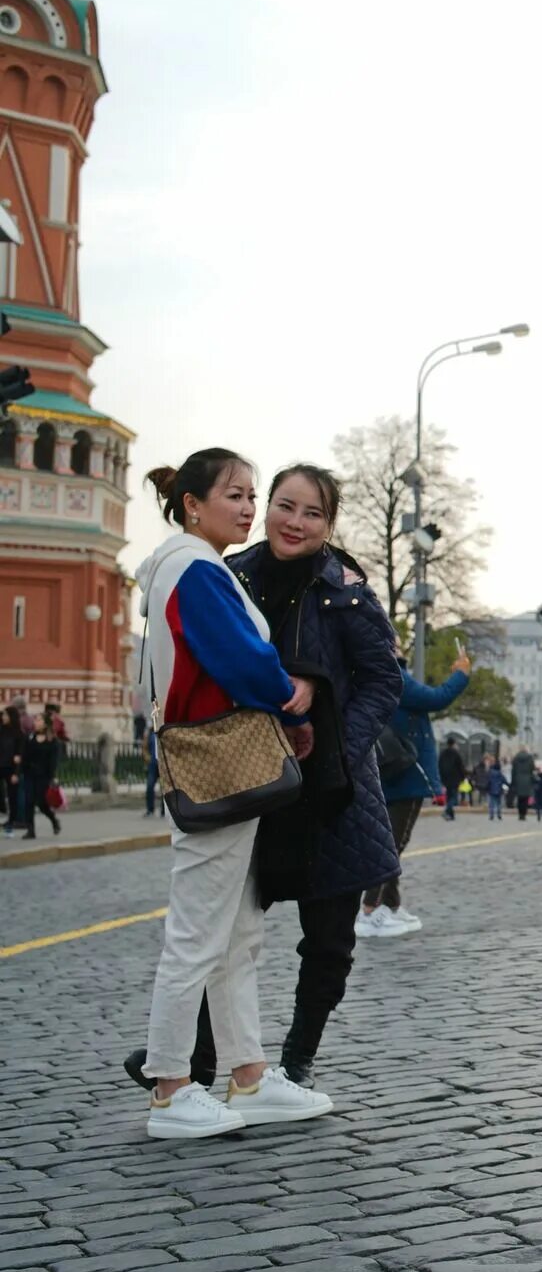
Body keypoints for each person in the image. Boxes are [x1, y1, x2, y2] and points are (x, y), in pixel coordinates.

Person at [126, 463, 406, 1095]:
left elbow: (382, 682)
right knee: (226, 926)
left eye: (312, 513)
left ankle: (293, 1060)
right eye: (283, 505)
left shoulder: (349, 591)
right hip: (252, 772)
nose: (293, 521)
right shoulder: (231, 572)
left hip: (332, 790)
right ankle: (195, 1064)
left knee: (328, 941)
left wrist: (337, 748)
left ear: (329, 525)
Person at [133, 450, 330, 1138]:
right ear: (192, 502)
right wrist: (291, 697)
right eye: (234, 494)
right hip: (220, 756)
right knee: (196, 934)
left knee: (236, 930)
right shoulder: (195, 567)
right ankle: (169, 1083)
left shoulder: (177, 564)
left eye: (252, 494)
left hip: (212, 754)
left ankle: (245, 1072)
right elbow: (242, 658)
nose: (249, 508)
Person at [368, 649, 470, 939]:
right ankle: (369, 909)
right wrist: (461, 673)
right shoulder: (395, 676)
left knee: (393, 842)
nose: (400, 646)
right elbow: (437, 698)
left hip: (399, 771)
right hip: (408, 772)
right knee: (393, 845)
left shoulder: (385, 673)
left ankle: (389, 905)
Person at [18, 713, 60, 839]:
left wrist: (53, 776)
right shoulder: (30, 737)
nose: (35, 723)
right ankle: (31, 830)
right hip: (30, 774)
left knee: (41, 803)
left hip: (44, 776)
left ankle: (53, 820)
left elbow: (53, 760)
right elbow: (24, 755)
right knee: (29, 802)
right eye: (35, 720)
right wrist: (21, 769)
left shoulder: (52, 741)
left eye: (38, 720)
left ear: (45, 723)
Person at [0, 702, 23, 836]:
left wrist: (16, 772)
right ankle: (2, 807)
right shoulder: (2, 730)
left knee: (13, 794)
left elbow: (20, 754)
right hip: (1, 765)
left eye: (5, 714)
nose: (3, 716)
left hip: (11, 768)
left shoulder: (18, 734)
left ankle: (12, 819)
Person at [438, 742, 467, 822]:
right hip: (455, 779)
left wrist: (441, 778)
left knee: (449, 796)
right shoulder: (456, 754)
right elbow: (460, 766)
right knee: (454, 797)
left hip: (446, 779)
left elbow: (439, 766)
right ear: (453, 744)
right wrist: (463, 777)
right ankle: (447, 810)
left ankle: (451, 815)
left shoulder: (442, 754)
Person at [510, 745, 538, 819]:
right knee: (525, 798)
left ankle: (520, 814)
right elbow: (533, 769)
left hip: (518, 779)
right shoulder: (530, 758)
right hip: (527, 780)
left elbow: (513, 771)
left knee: (520, 798)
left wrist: (513, 782)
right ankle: (524, 814)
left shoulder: (515, 758)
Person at [484, 754, 506, 820]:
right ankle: (499, 814)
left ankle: (491, 815)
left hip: (491, 790)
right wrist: (506, 787)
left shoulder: (490, 773)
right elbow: (505, 782)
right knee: (499, 803)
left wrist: (487, 788)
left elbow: (488, 782)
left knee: (491, 804)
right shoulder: (501, 774)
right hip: (499, 791)